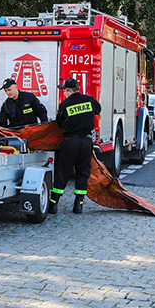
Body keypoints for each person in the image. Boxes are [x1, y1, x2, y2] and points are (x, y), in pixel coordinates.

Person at [50, 78, 101, 215]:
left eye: (65, 91)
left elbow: (60, 124)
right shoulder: (89, 100)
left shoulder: (64, 104)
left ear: (70, 91)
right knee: (83, 171)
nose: (64, 94)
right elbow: (98, 109)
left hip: (71, 141)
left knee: (63, 171)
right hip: (86, 142)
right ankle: (78, 205)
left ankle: (53, 204)